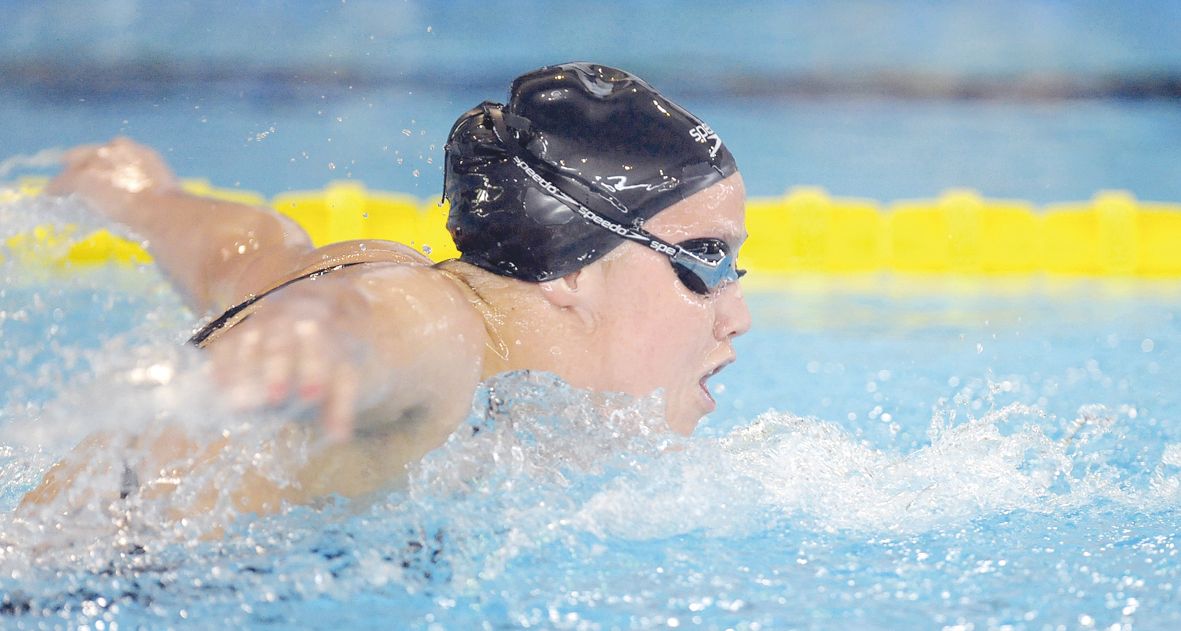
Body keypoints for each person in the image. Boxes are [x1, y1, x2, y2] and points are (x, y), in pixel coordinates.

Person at [20, 62, 751, 515]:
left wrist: (144, 198)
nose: (737, 315)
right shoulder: (440, 327)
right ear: (573, 267)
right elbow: (382, 323)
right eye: (706, 259)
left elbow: (246, 251)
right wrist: (316, 333)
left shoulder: (371, 264)